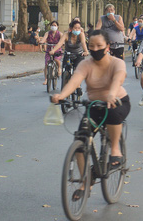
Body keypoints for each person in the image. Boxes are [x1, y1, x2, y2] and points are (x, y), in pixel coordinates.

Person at [51, 30, 130, 189]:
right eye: (91, 46)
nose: (95, 49)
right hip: (93, 106)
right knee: (81, 139)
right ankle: (86, 180)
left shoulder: (117, 62)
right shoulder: (85, 64)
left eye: (99, 45)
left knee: (113, 114)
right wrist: (61, 95)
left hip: (117, 102)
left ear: (107, 46)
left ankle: (115, 149)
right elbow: (74, 81)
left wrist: (111, 95)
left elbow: (118, 78)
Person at [40, 20, 63, 84]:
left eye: (55, 25)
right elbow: (44, 39)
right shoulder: (47, 33)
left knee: (56, 59)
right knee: (46, 64)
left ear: (57, 26)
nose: (53, 27)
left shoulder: (60, 34)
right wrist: (41, 42)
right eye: (52, 25)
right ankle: (46, 79)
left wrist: (63, 44)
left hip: (57, 50)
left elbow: (62, 41)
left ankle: (59, 69)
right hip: (49, 50)